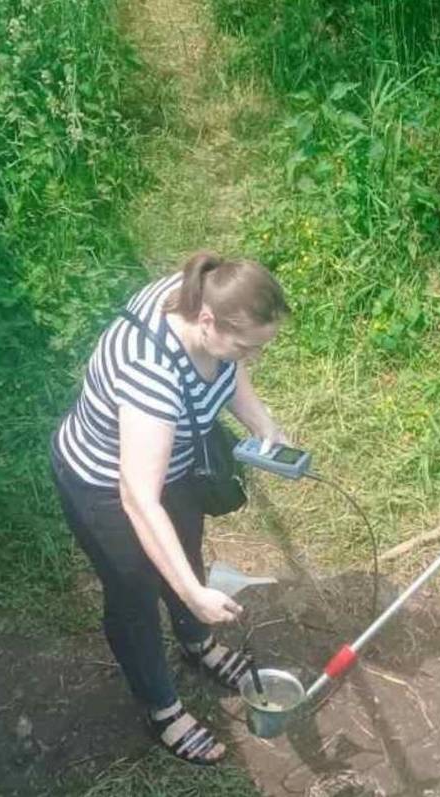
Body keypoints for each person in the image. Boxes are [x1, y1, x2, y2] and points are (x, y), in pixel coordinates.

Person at [50, 252, 291, 765]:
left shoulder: (200, 294)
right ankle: (161, 707)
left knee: (185, 549)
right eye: (246, 347)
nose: (252, 358)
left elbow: (231, 373)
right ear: (207, 321)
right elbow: (138, 495)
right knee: (135, 591)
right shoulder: (151, 373)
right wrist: (188, 590)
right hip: (103, 484)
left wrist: (264, 428)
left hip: (171, 465)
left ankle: (197, 641)